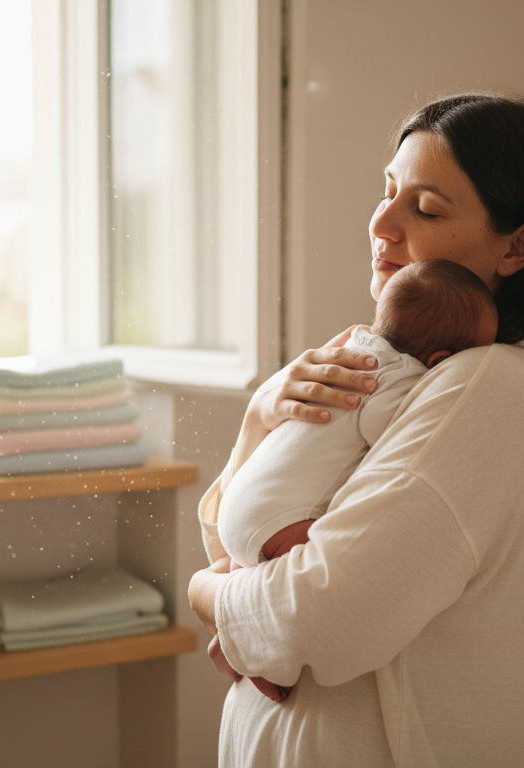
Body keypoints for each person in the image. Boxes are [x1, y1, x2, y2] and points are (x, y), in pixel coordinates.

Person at [188, 92, 524, 767]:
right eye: (387, 191)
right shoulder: (410, 370)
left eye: (425, 208)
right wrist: (259, 419)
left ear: (518, 246)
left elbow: (319, 619)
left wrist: (204, 594)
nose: (382, 224)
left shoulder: (490, 385)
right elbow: (240, 540)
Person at [207, 258, 499, 703]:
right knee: (292, 573)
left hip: (239, 508)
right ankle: (257, 657)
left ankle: (229, 640)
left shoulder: (350, 347)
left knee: (247, 575)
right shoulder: (403, 377)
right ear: (440, 360)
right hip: (277, 521)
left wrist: (204, 591)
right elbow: (386, 428)